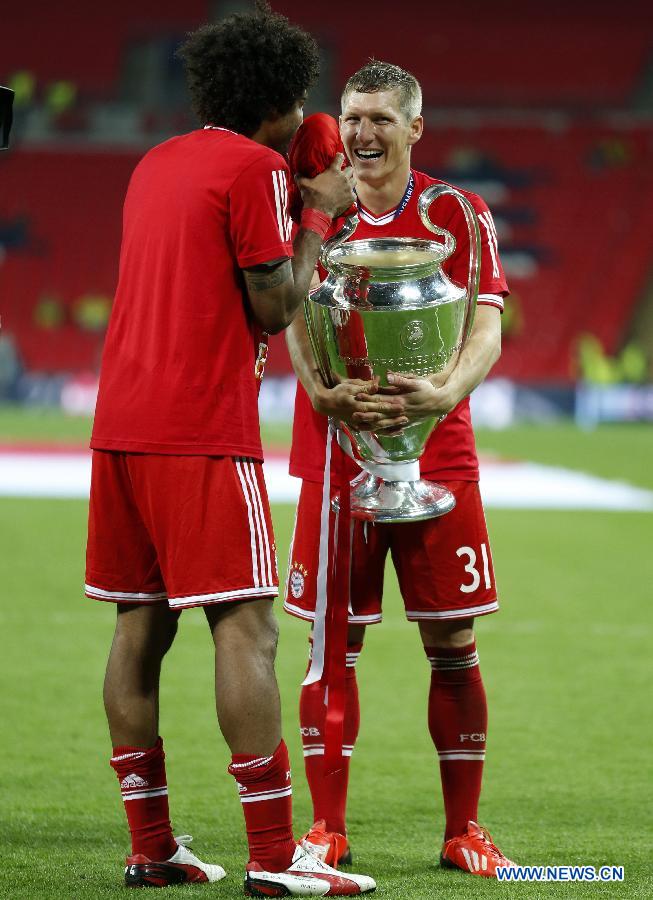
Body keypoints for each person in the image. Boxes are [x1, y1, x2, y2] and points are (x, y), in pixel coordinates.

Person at [85, 5, 375, 895]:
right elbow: (275, 305)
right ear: (283, 96)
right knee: (245, 630)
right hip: (201, 431)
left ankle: (152, 845)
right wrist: (318, 214)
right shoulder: (255, 166)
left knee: (139, 629)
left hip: (120, 427)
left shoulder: (156, 160)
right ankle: (274, 858)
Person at [285, 60, 515, 878]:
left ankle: (464, 831)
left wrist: (445, 388)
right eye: (352, 117)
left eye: (381, 119)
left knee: (452, 641)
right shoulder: (313, 212)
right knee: (328, 646)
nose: (362, 133)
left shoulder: (457, 210)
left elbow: (486, 321)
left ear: (414, 128)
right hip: (334, 454)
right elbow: (288, 316)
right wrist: (323, 394)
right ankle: (325, 830)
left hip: (438, 451)